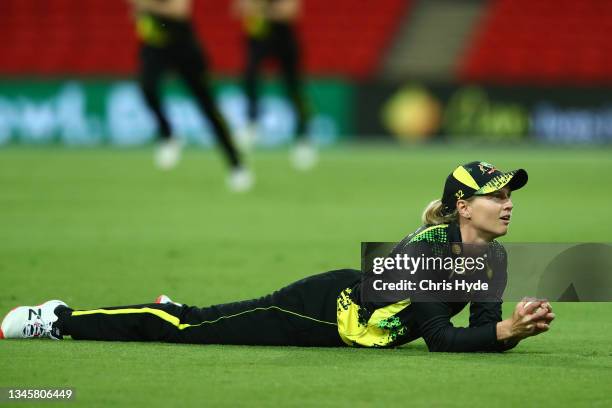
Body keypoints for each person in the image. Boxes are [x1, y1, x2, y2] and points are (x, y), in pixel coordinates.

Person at [0, 161, 555, 352]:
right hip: (313, 311)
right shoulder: (426, 251)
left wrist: (514, 330)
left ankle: (164, 307)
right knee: (188, 326)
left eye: (509, 196)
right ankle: (58, 319)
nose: (507, 206)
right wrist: (504, 332)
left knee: (207, 320)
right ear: (464, 206)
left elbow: (483, 335)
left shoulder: (490, 261)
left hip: (343, 330)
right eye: (497, 195)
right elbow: (442, 339)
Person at [130, 0, 253, 191]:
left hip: (183, 46)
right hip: (154, 45)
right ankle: (168, 135)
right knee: (147, 88)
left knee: (208, 107)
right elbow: (137, 13)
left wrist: (147, 6)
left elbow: (179, 10)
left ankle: (236, 164)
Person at [233, 0, 316, 170]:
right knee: (250, 75)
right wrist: (265, 10)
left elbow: (289, 12)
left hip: (283, 37)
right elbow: (238, 9)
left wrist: (258, 8)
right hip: (258, 37)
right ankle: (252, 121)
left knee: (294, 90)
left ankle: (303, 139)